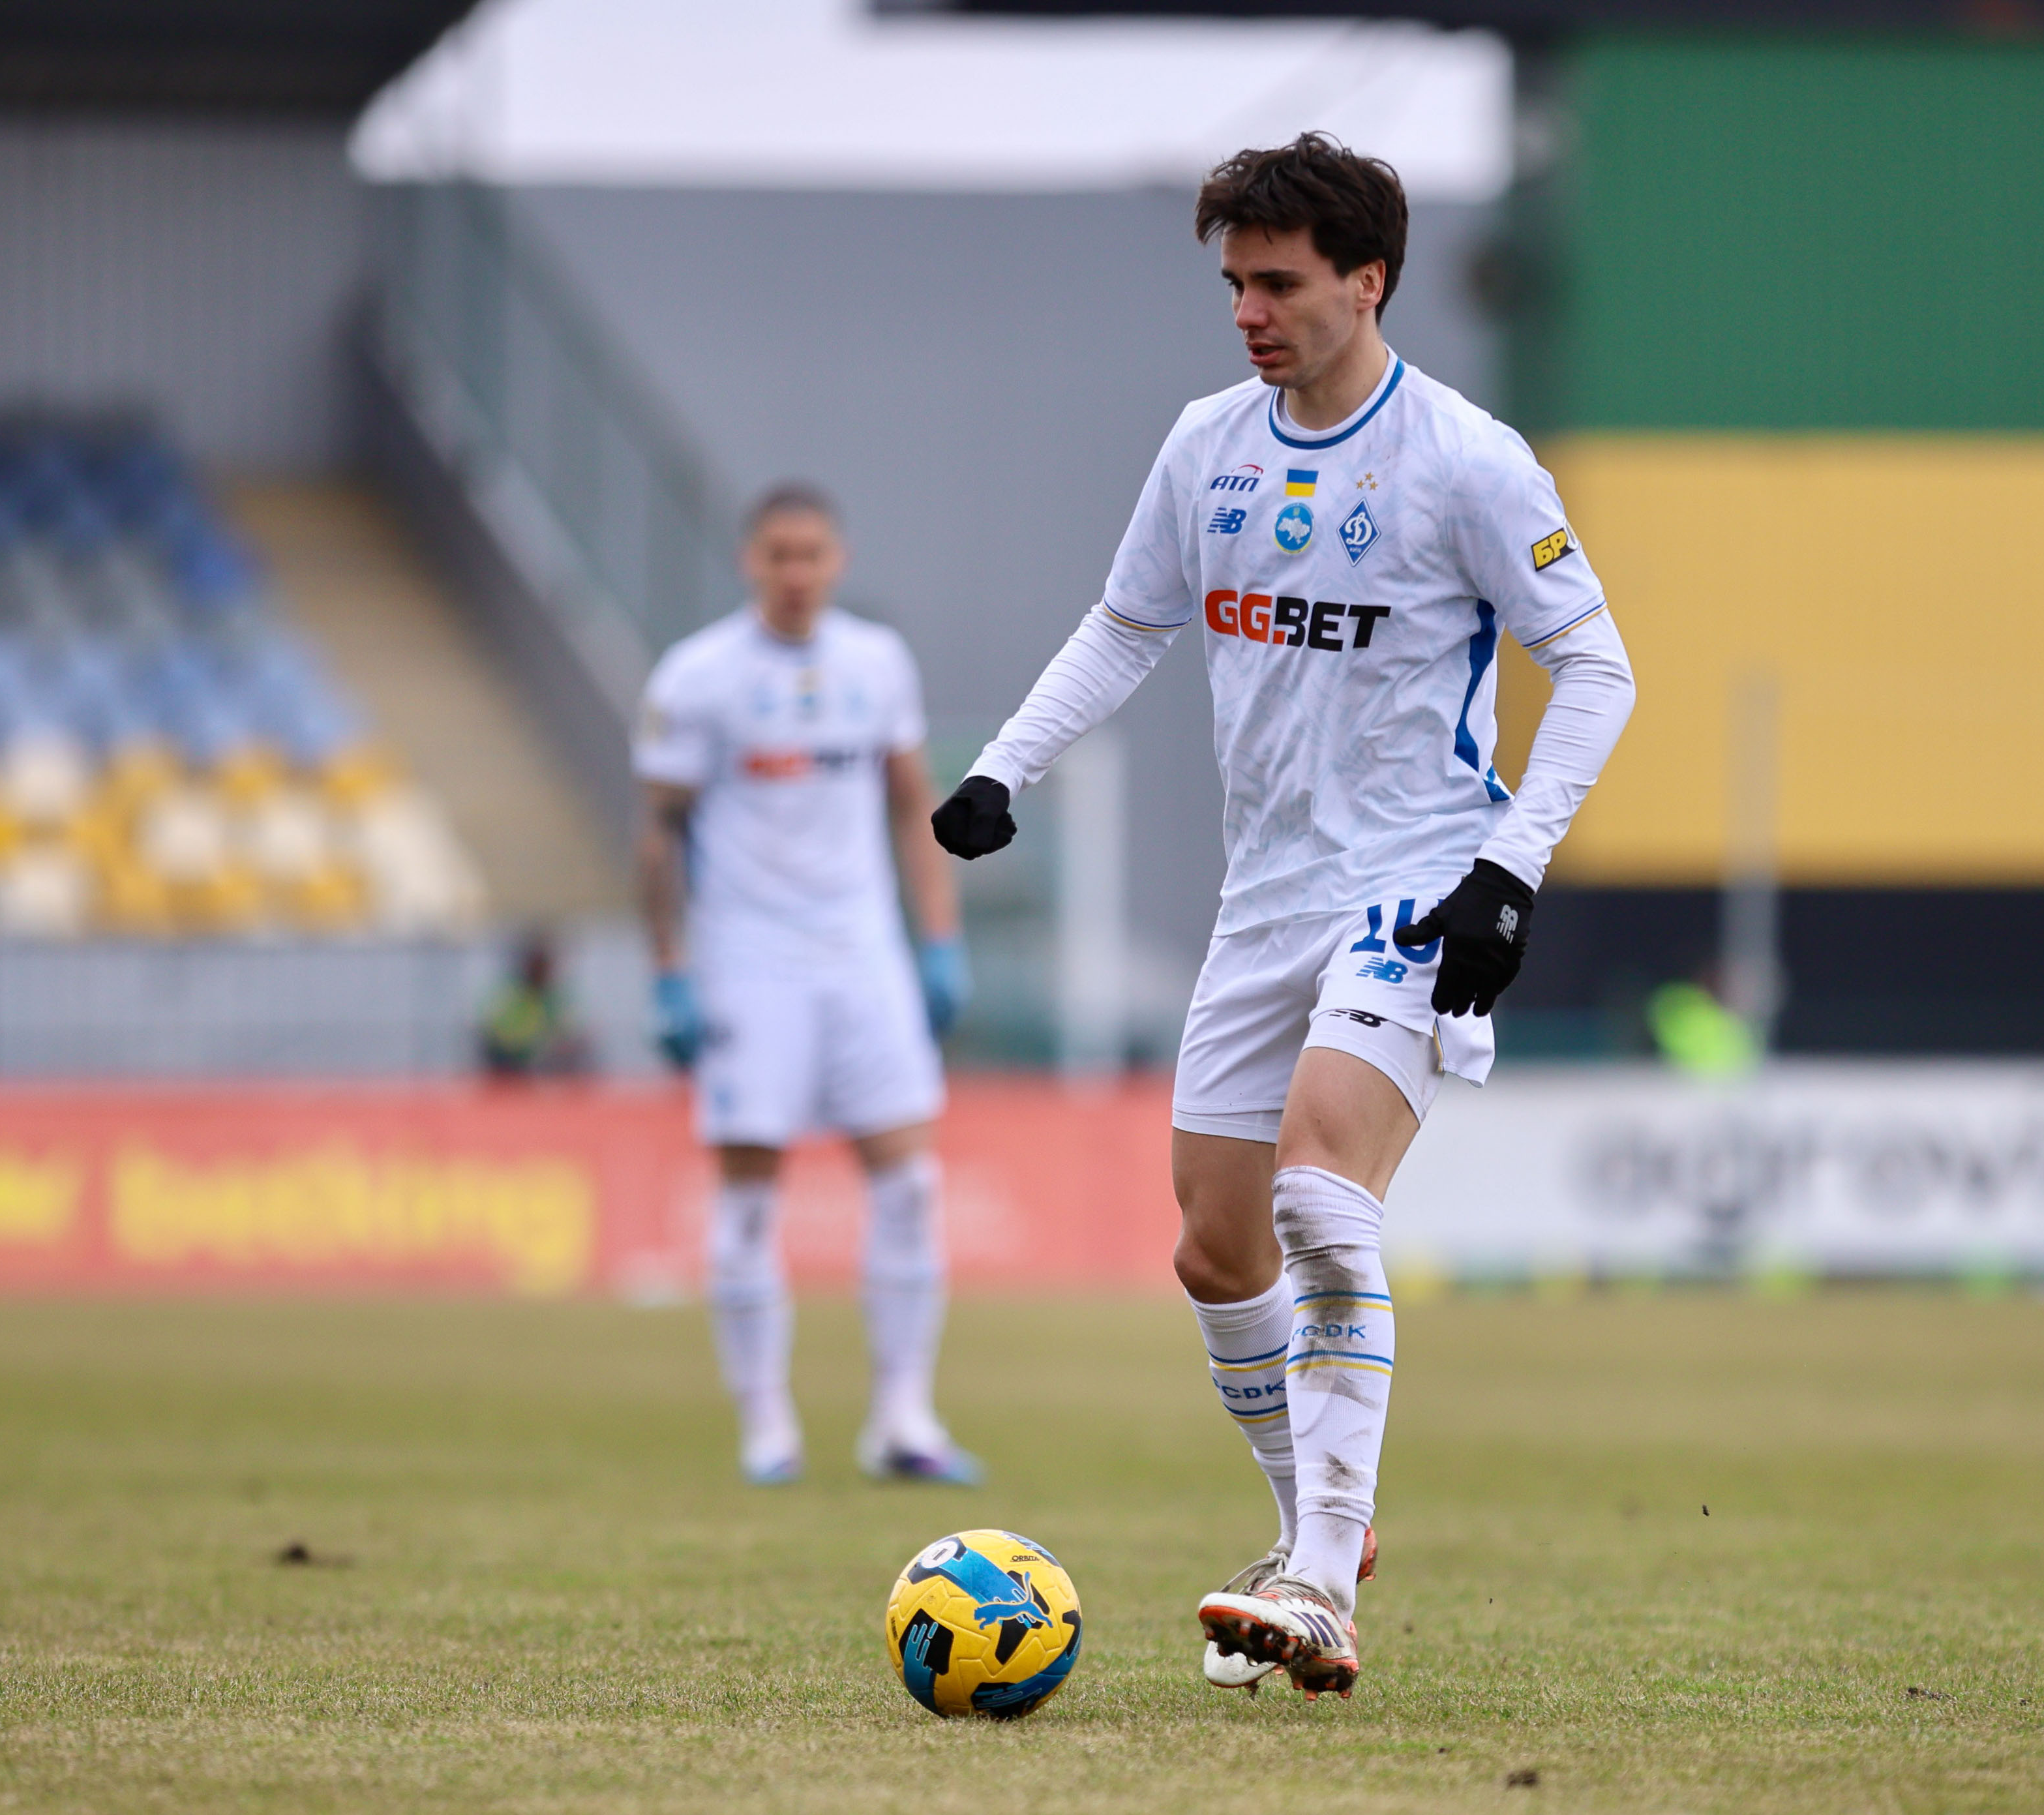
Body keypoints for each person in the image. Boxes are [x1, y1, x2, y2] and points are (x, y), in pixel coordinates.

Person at [931, 133, 1635, 1696]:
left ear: (1366, 280)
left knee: (1320, 1190)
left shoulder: (1466, 459)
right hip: (1264, 894)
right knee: (1213, 1246)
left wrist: (1508, 872)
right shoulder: (1207, 447)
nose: (1248, 311)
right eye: (1234, 284)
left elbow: (1596, 668)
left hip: (1419, 874)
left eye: (1279, 282)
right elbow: (1128, 623)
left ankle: (1319, 1573)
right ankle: (1313, 1528)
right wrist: (1002, 768)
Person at [634, 483, 980, 1488]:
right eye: (777, 554)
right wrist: (670, 969)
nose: (794, 572)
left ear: (838, 560)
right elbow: (658, 831)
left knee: (911, 1184)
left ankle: (903, 1419)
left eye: (811, 553)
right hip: (749, 964)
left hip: (863, 955)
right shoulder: (698, 676)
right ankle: (766, 1425)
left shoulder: (877, 663)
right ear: (750, 561)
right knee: (749, 1196)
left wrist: (939, 938)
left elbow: (913, 801)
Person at [477, 931, 594, 1078]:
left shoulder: (554, 998)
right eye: (537, 966)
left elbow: (570, 1031)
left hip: (544, 1061)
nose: (542, 972)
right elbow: (495, 1033)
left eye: (544, 967)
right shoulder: (511, 995)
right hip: (511, 1062)